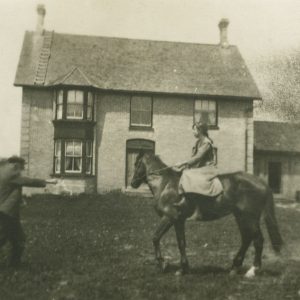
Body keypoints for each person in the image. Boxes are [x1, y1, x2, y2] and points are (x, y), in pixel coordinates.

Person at [0, 156, 57, 267]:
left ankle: (15, 265)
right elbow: (28, 181)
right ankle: (13, 265)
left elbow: (11, 190)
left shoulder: (3, 170)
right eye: (21, 168)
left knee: (18, 238)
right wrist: (48, 181)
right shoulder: (10, 173)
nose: (21, 171)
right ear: (15, 165)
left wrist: (20, 200)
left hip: (9, 212)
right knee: (5, 238)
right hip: (6, 213)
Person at [173, 122, 222, 220]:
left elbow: (197, 158)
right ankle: (185, 200)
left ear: (200, 131)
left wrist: (182, 163)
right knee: (185, 172)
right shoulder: (198, 142)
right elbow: (193, 158)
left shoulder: (206, 143)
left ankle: (198, 210)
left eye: (194, 129)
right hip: (200, 168)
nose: (193, 132)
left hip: (208, 169)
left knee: (188, 175)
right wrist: (184, 166)